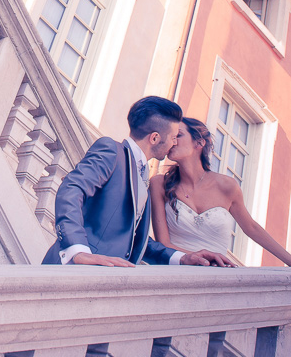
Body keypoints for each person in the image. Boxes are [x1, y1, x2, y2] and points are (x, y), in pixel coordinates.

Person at [43, 96, 233, 267]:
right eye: (174, 137)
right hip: (77, 269)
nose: (174, 143)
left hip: (106, 280)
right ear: (155, 138)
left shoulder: (144, 177)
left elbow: (136, 241)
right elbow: (71, 189)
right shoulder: (112, 151)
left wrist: (182, 258)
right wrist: (77, 251)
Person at [150, 117, 291, 266]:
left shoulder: (227, 186)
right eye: (171, 137)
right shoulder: (159, 184)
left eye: (178, 135)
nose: (173, 141)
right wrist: (201, 258)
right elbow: (163, 243)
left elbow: (251, 228)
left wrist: (289, 260)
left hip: (219, 272)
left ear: (199, 142)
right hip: (175, 271)